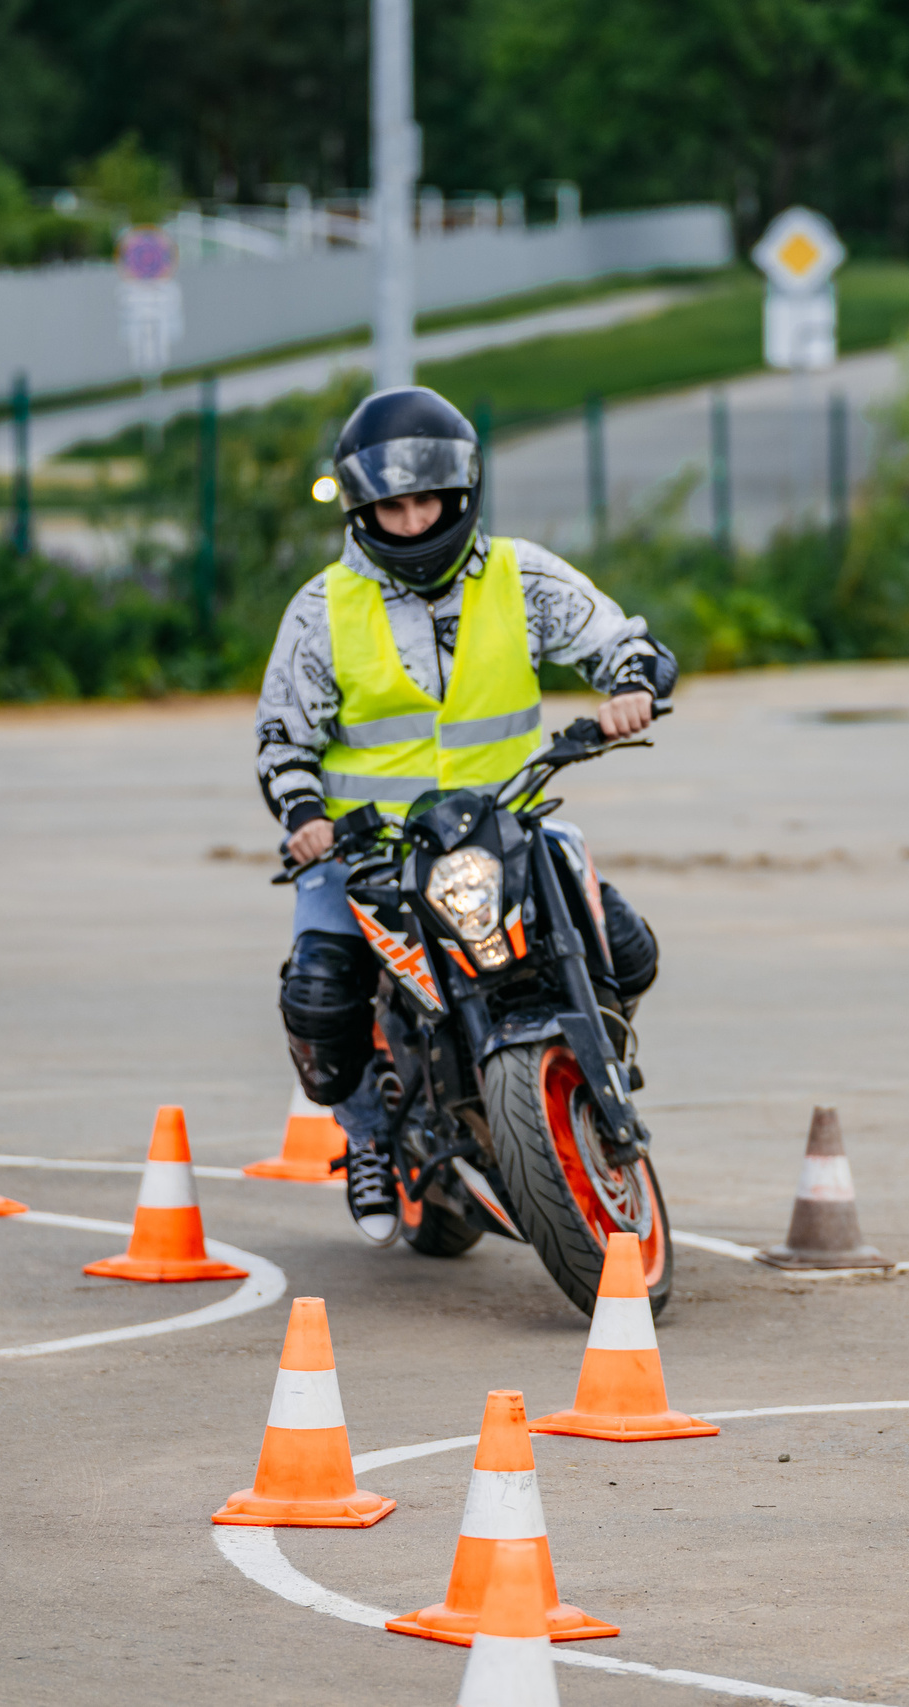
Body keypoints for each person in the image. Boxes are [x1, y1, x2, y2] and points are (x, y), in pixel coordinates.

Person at [253, 385, 676, 1244]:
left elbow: (613, 634)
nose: (412, 521)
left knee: (627, 946)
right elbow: (282, 738)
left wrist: (631, 679)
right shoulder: (322, 609)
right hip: (366, 852)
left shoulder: (521, 575)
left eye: (427, 502)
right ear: (365, 511)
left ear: (461, 493)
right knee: (321, 995)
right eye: (392, 507)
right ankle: (370, 1136)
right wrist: (303, 814)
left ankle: (599, 1063)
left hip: (509, 823)